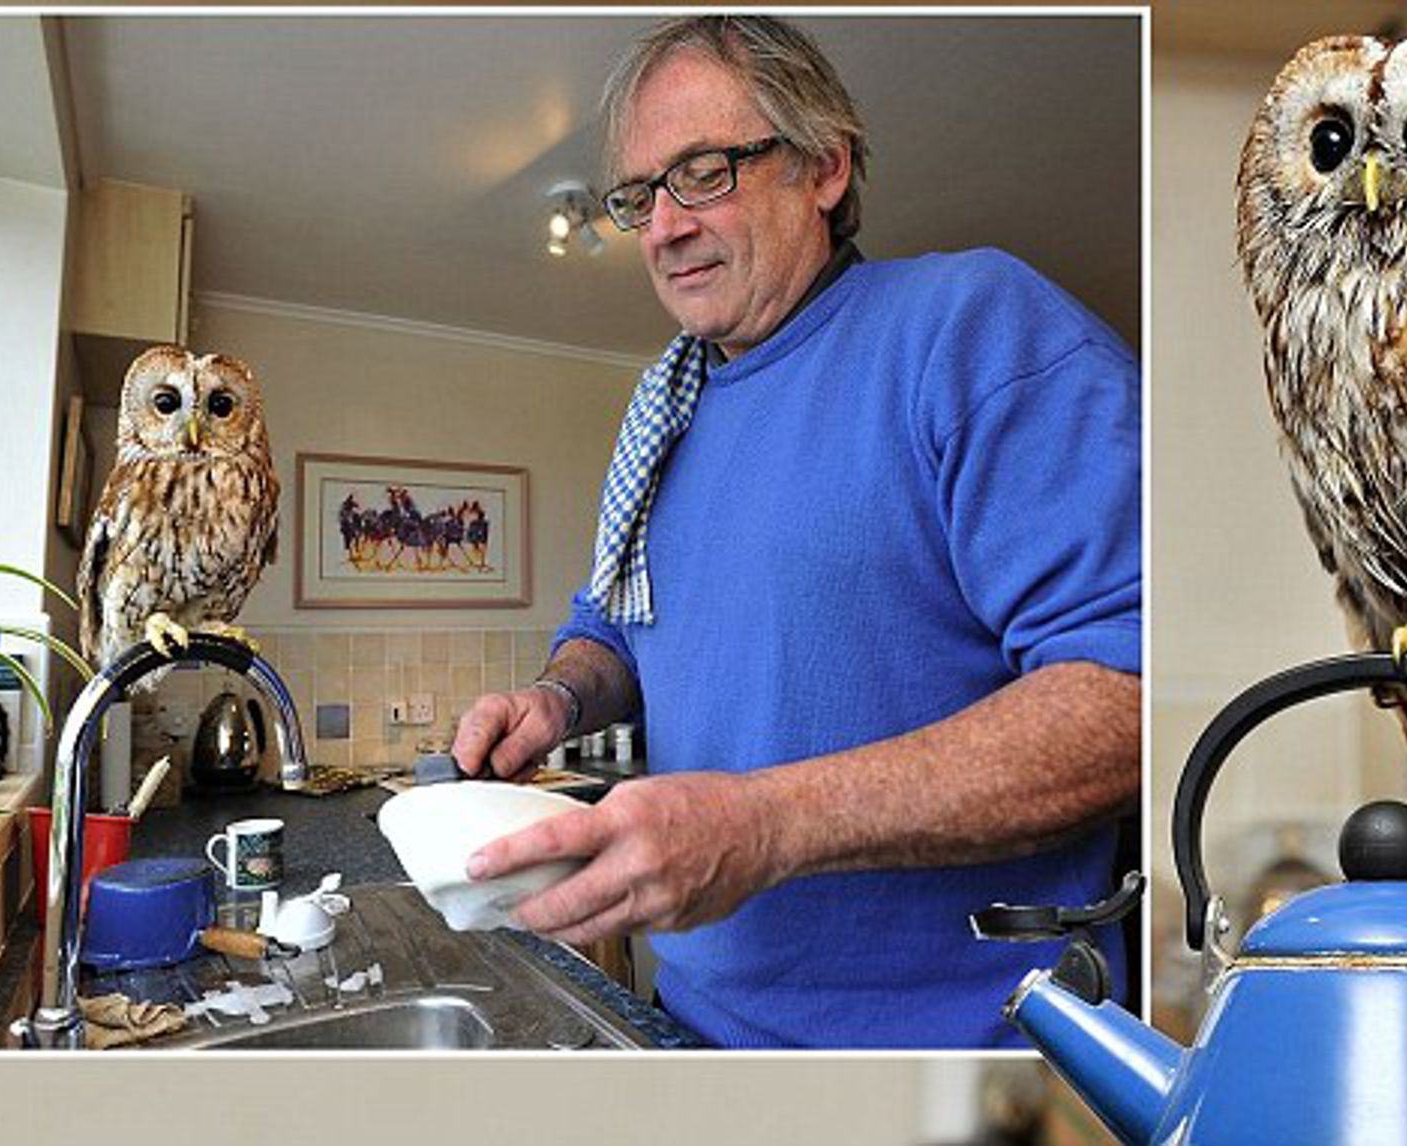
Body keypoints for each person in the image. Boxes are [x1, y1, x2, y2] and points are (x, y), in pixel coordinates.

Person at [452, 14, 1140, 1049]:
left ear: (823, 166)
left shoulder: (972, 327)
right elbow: (614, 623)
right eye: (639, 195)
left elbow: (1126, 701)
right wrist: (557, 695)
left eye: (704, 172)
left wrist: (760, 826)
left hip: (961, 1057)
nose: (662, 229)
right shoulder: (661, 419)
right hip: (691, 1028)